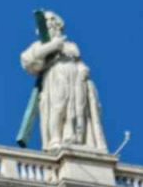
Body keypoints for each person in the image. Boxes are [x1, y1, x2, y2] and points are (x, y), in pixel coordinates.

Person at [20, 11, 107, 151]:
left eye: (52, 25)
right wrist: (52, 46)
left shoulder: (70, 45)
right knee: (58, 107)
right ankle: (55, 139)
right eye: (47, 26)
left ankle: (76, 138)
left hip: (76, 78)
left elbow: (78, 61)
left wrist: (83, 69)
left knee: (76, 110)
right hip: (56, 76)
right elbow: (27, 60)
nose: (50, 29)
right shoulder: (40, 45)